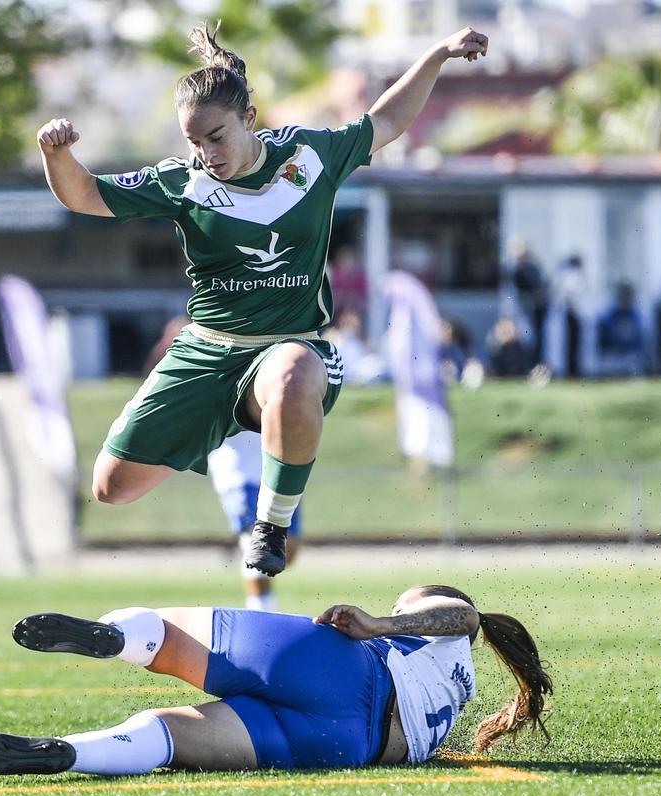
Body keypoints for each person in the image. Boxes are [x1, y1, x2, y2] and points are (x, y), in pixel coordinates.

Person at [37, 23, 489, 577]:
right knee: (111, 488)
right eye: (193, 142)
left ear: (249, 119)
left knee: (296, 373)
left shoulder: (310, 158)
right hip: (206, 352)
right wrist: (55, 153)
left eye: (216, 137)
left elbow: (389, 120)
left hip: (289, 345)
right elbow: (82, 193)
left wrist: (438, 53)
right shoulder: (183, 183)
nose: (205, 153)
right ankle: (219, 423)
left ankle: (271, 527)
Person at [0, 584, 552, 776]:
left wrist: (381, 623)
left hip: (342, 669)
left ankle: (113, 637)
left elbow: (466, 616)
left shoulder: (447, 628)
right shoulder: (461, 687)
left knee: (165, 637)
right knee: (168, 734)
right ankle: (70, 754)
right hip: (351, 746)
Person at [208, 430, 302, 612]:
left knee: (287, 552)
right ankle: (262, 617)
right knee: (258, 548)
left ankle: (245, 554)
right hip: (238, 474)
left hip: (281, 473)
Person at [596, 281, 644, 376]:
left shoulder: (635, 315)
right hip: (613, 354)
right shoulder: (610, 315)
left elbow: (638, 339)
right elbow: (604, 336)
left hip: (630, 354)